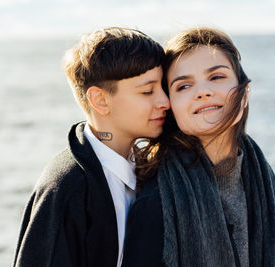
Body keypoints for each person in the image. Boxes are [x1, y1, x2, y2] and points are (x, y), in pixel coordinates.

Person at [122, 27, 275, 267]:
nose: (203, 92)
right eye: (183, 86)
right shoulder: (156, 205)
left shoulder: (264, 187)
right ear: (171, 108)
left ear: (245, 91)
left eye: (217, 77)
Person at [12, 27, 170, 267]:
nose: (165, 102)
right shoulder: (65, 188)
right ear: (100, 100)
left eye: (164, 88)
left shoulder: (151, 169)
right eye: (147, 91)